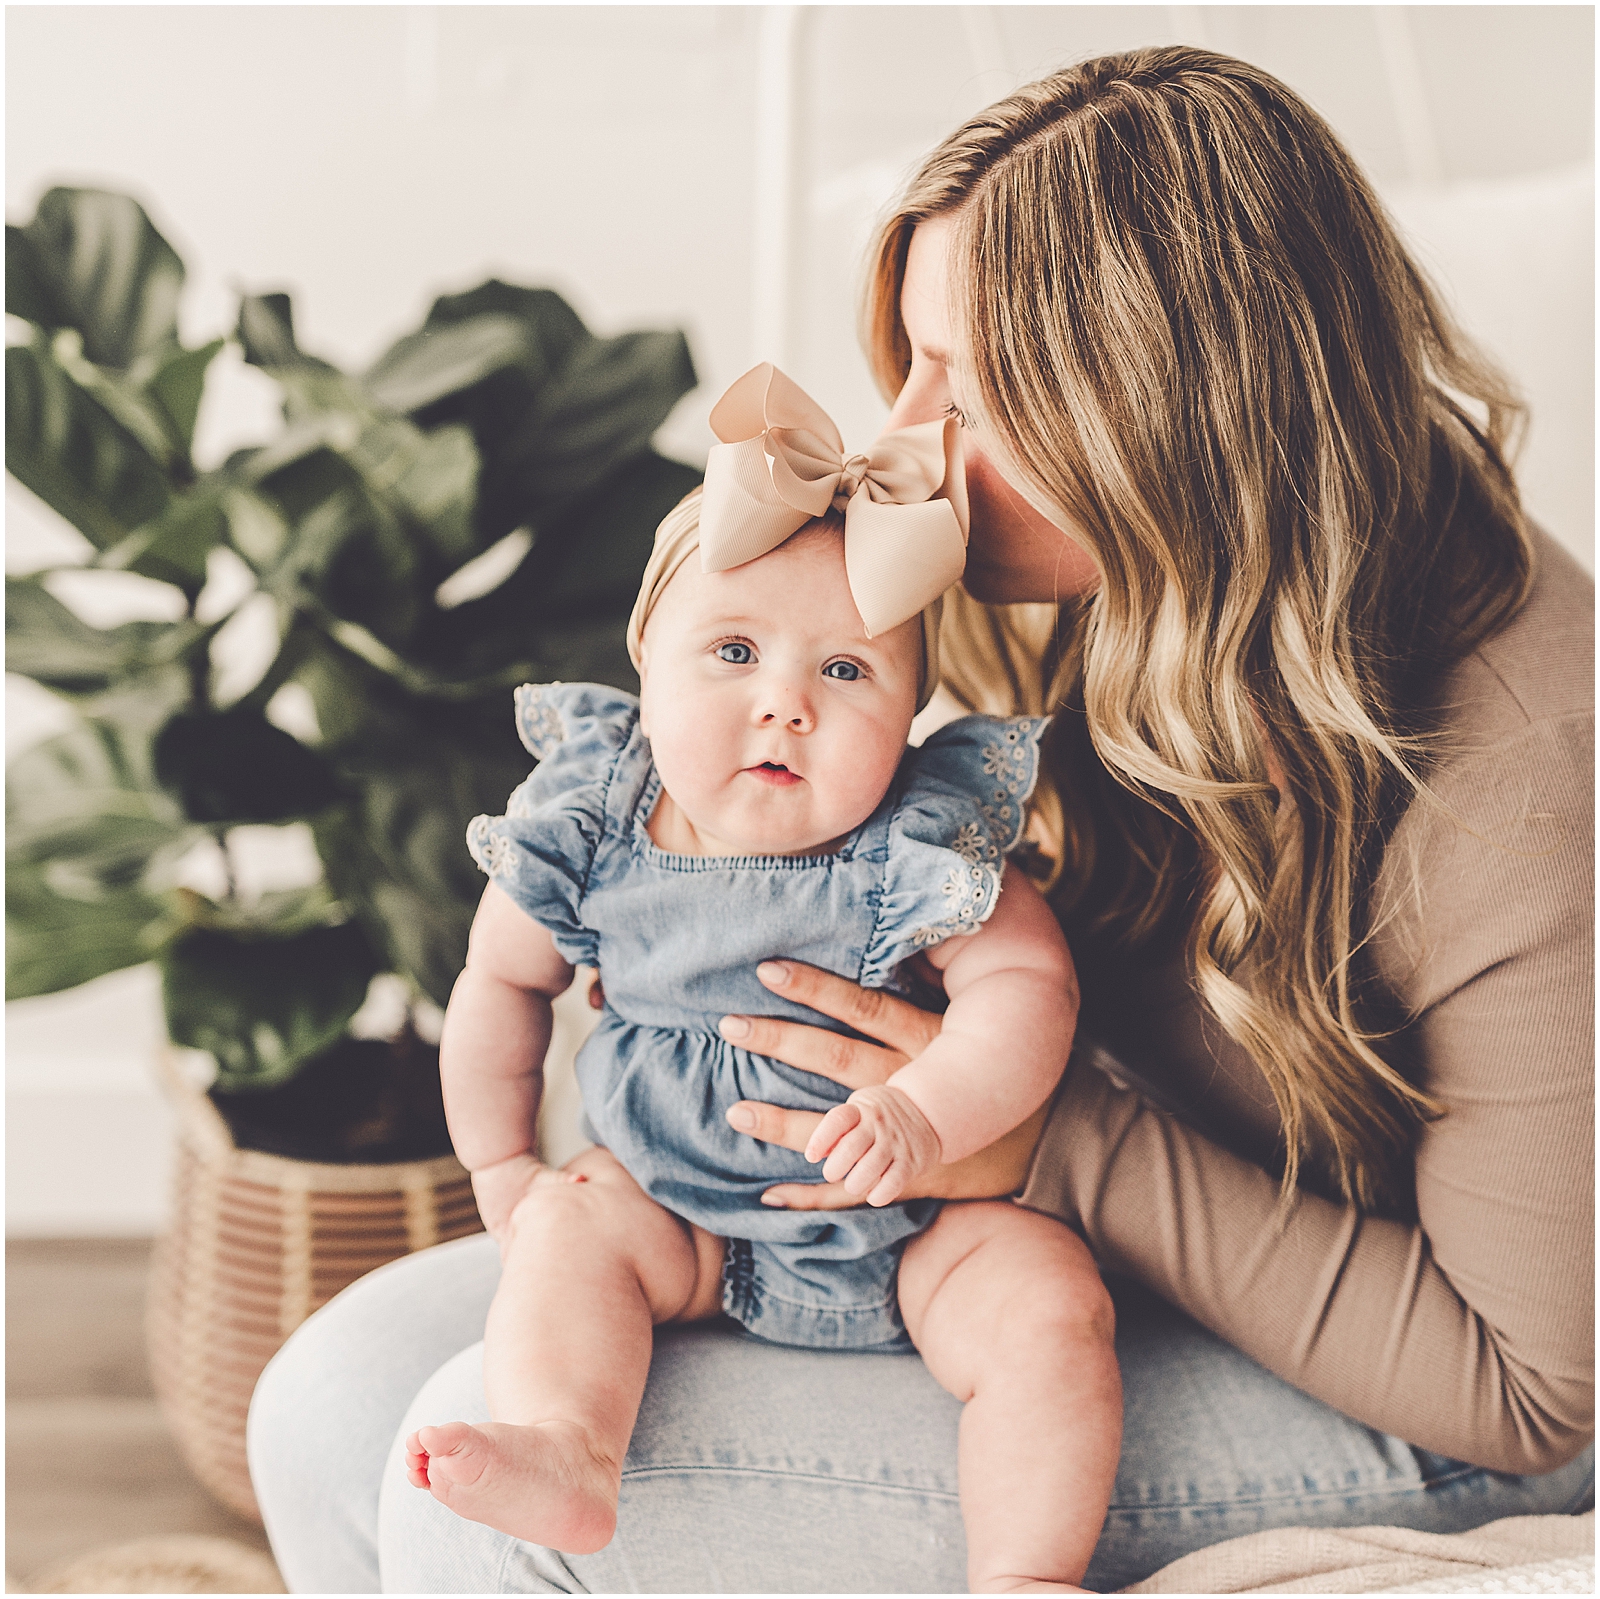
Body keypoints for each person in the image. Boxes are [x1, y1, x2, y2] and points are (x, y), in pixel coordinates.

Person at [248, 45, 1593, 1594]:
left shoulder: (1537, 778)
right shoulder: (1081, 567)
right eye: (910, 366)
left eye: (971, 389)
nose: (908, 439)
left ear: (1171, 420)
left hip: (1420, 1391)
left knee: (465, 1503)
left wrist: (1046, 1136)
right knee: (331, 1404)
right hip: (967, 1215)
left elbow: (1531, 1390)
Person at [400, 369, 1120, 1592]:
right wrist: (502, 1164)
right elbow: (497, 987)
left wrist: (928, 1112)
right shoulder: (591, 826)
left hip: (916, 1230)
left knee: (1049, 1306)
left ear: (906, 717)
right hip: (670, 1215)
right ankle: (570, 1449)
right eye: (733, 652)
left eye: (847, 674)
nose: (784, 704)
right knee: (569, 1235)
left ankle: (1025, 1570)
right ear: (647, 662)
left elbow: (1026, 990)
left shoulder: (917, 841)